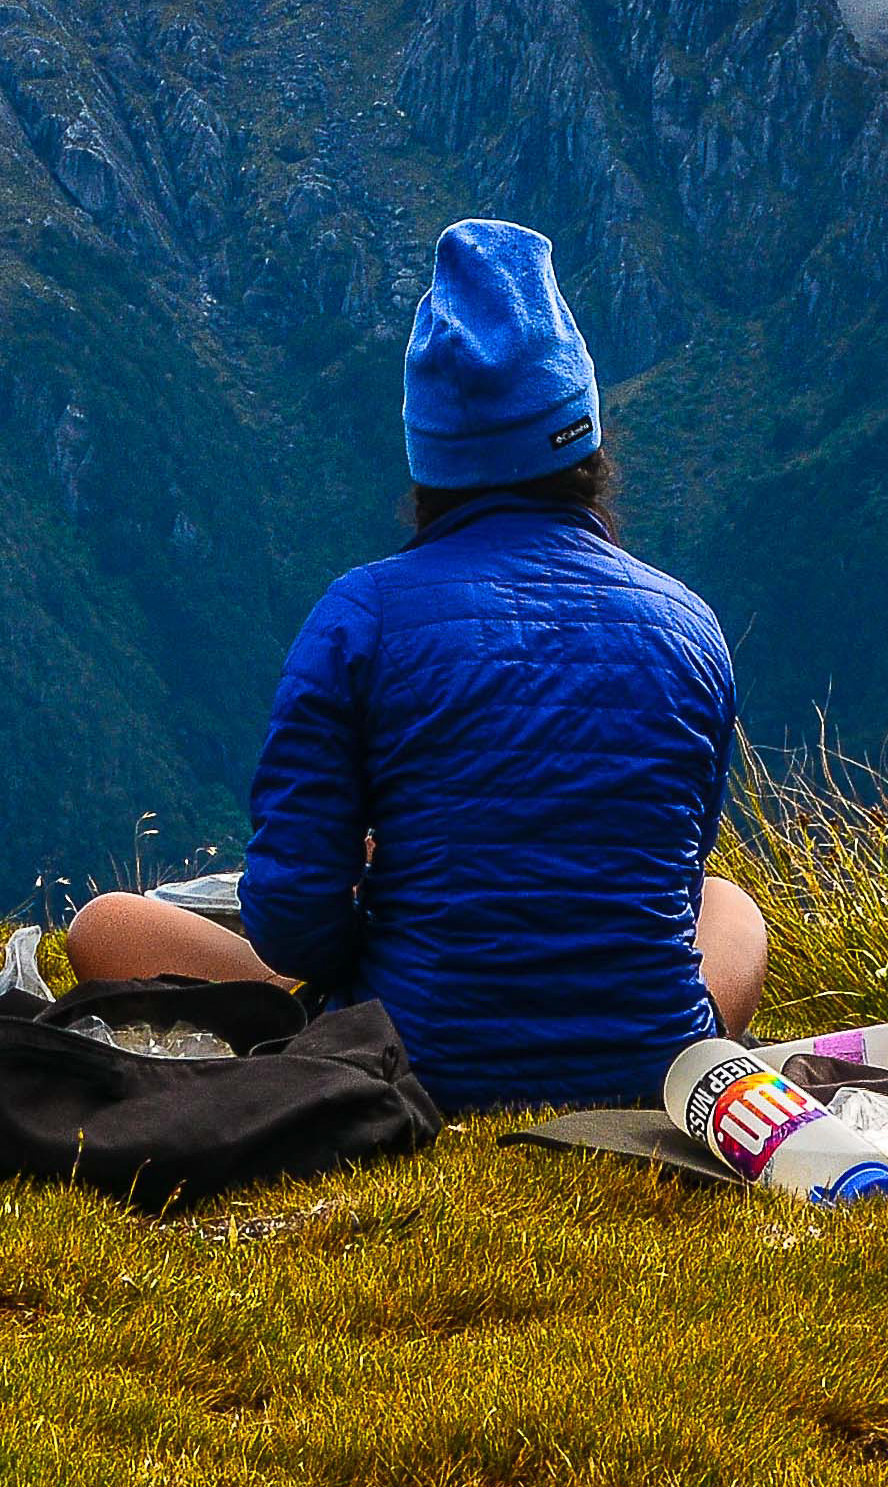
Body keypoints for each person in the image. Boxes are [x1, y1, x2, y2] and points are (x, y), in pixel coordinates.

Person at [66, 221, 763, 1107]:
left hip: (410, 1059)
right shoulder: (688, 625)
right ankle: (660, 1051)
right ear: (586, 441)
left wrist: (374, 890)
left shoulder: (359, 617)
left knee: (108, 925)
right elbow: (666, 875)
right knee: (728, 902)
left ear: (426, 456)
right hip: (651, 1067)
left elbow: (291, 925)